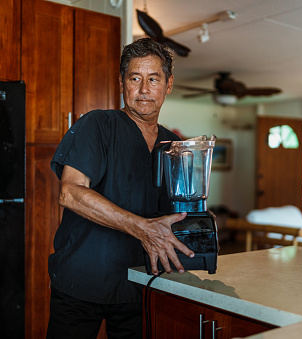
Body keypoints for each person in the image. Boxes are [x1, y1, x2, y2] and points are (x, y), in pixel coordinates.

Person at [46, 38, 194, 339]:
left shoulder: (173, 146)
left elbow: (176, 212)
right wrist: (141, 227)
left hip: (141, 283)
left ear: (168, 85)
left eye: (153, 79)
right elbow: (70, 193)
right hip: (81, 281)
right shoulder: (97, 125)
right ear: (121, 83)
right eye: (134, 78)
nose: (143, 89)